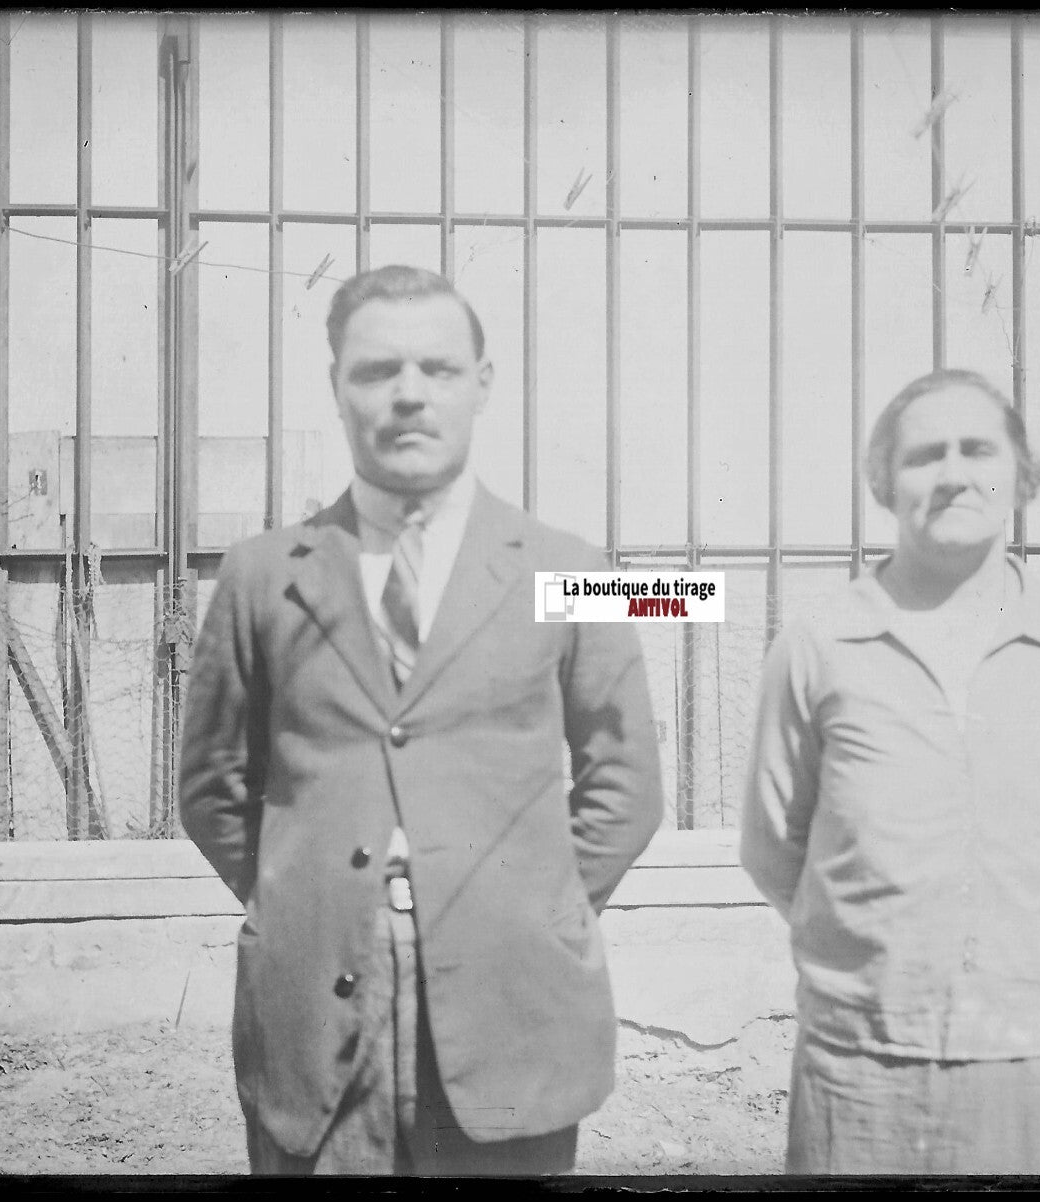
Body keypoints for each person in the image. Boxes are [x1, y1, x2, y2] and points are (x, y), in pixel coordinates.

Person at [181, 264, 664, 1176]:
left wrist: (530, 907)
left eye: (438, 370)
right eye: (376, 371)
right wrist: (303, 895)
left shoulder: (574, 567)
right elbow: (212, 787)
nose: (408, 395)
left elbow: (627, 782)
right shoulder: (259, 574)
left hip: (512, 998)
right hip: (318, 993)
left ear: (483, 385)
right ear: (336, 386)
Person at [740, 368, 1040, 1176]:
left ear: (1021, 475)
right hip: (866, 1067)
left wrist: (1029, 946)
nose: (952, 474)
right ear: (882, 481)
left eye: (977, 449)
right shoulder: (818, 645)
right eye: (923, 455)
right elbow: (774, 848)